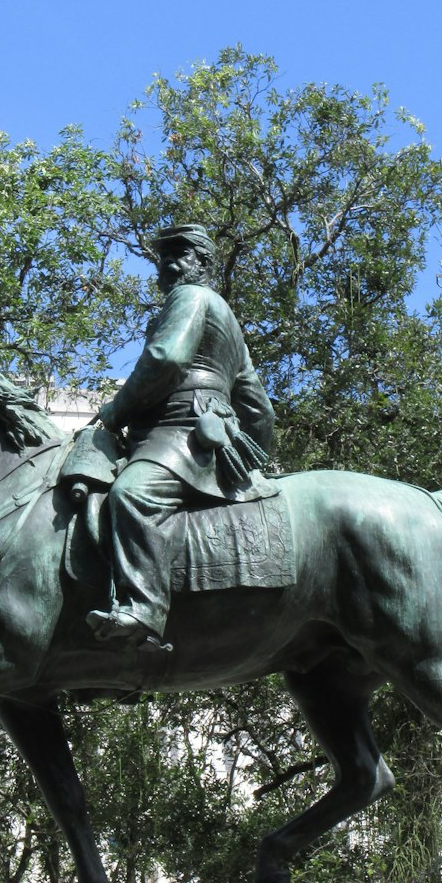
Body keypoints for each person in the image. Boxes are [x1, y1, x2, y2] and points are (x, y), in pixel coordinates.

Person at [88, 222, 276, 648]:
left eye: (179, 255)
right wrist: (252, 461)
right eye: (163, 258)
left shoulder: (191, 297)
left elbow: (167, 359)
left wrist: (115, 411)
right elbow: (259, 407)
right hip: (193, 436)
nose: (167, 265)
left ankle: (141, 612)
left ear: (204, 262)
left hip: (180, 435)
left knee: (133, 496)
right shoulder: (227, 320)